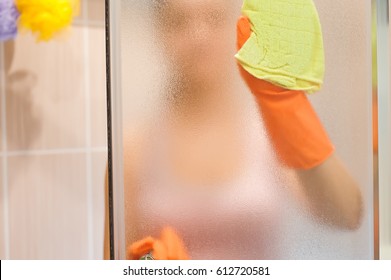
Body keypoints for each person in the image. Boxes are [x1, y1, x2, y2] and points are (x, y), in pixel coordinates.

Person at [104, 0, 363, 260]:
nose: (198, 37)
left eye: (213, 19)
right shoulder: (133, 149)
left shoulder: (267, 137)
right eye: (178, 22)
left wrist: (290, 110)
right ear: (159, 31)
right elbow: (112, 262)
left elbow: (347, 213)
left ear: (238, 25)